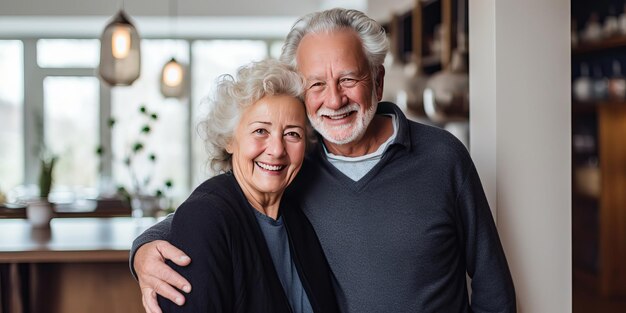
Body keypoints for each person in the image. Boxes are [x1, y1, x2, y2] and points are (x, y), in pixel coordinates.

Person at [132, 8, 517, 313]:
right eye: (316, 84)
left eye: (349, 79)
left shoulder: (443, 157)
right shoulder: (296, 164)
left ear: (377, 81)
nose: (334, 100)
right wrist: (144, 248)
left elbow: (492, 287)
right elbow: (219, 210)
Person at [154, 59, 340, 313]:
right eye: (261, 131)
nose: (276, 150)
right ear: (230, 140)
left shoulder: (299, 214)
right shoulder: (205, 217)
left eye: (292, 134)